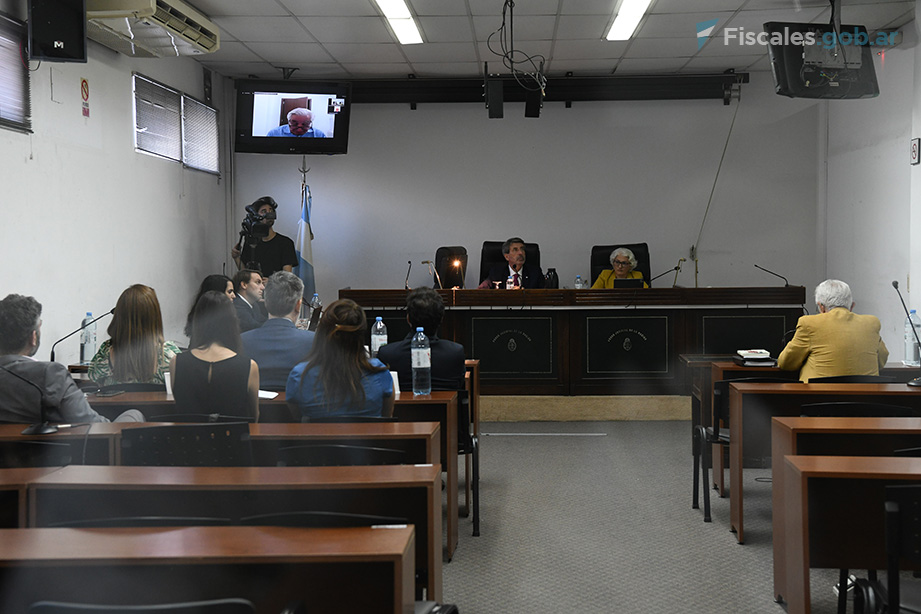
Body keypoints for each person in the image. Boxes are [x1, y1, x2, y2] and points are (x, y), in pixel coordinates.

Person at [0, 294, 143, 424]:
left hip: (10, 445)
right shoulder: (51, 374)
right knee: (134, 414)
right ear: (33, 337)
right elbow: (89, 422)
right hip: (63, 444)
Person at [287, 299, 393, 421]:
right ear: (361, 335)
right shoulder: (379, 372)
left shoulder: (300, 375)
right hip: (371, 434)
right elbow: (387, 419)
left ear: (321, 334)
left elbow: (297, 418)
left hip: (318, 434)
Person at [170, 291, 260, 420]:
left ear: (197, 320)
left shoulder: (176, 362)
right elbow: (254, 416)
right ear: (232, 322)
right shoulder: (249, 366)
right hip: (232, 433)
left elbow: (180, 406)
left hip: (189, 433)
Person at [778, 279, 889, 382]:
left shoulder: (809, 323)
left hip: (820, 395)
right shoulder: (871, 323)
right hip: (865, 395)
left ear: (821, 307)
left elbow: (786, 363)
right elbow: (881, 360)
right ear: (852, 306)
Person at [88, 284, 182, 388]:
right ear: (154, 317)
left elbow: (92, 376)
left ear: (119, 315)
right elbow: (184, 385)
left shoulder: (105, 352)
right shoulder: (167, 355)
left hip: (116, 399)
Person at [379, 287, 465, 392]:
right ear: (441, 318)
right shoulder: (455, 353)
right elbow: (460, 384)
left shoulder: (387, 354)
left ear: (408, 319)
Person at [241, 271, 315, 390]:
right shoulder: (315, 341)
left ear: (266, 303)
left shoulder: (241, 341)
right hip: (299, 402)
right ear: (298, 305)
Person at [231, 196, 298, 277]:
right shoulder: (251, 242)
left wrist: (271, 281)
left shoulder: (285, 243)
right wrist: (236, 257)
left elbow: (287, 276)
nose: (268, 214)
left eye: (271, 210)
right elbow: (245, 274)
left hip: (275, 285)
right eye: (263, 211)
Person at [477, 237, 545, 289]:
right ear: (507, 257)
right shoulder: (496, 272)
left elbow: (544, 294)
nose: (520, 253)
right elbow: (483, 290)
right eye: (515, 250)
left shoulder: (535, 273)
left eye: (522, 249)